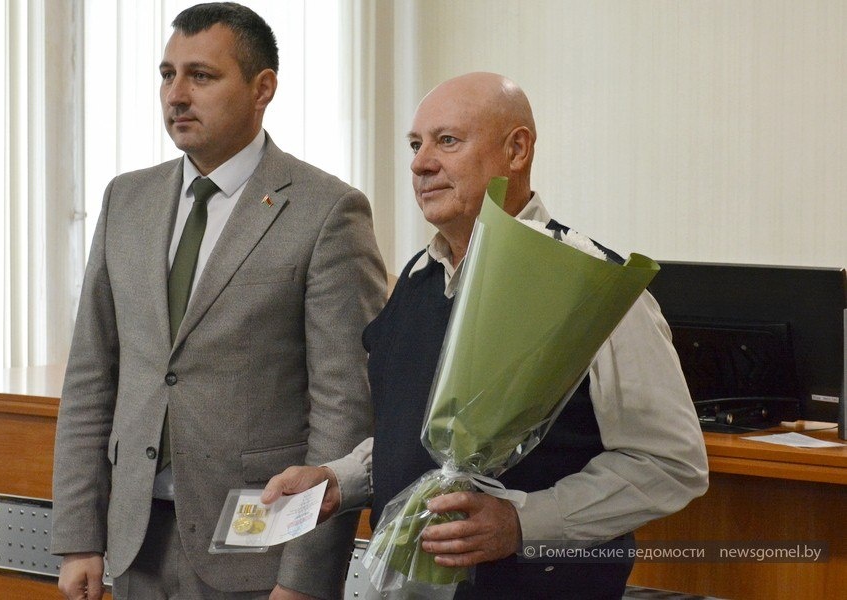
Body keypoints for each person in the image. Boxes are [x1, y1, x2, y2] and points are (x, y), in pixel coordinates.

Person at [262, 72, 709, 599]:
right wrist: (340, 480)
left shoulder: (595, 288)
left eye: (447, 141)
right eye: (415, 145)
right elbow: (416, 436)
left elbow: (670, 463)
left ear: (517, 150)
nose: (421, 163)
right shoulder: (415, 280)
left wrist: (524, 522)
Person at [51, 3, 386, 600]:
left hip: (259, 553)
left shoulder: (327, 211)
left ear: (263, 89)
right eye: (167, 74)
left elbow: (345, 407)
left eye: (201, 76)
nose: (176, 95)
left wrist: (307, 577)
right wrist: (80, 537)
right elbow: (90, 378)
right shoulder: (126, 199)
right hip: (135, 543)